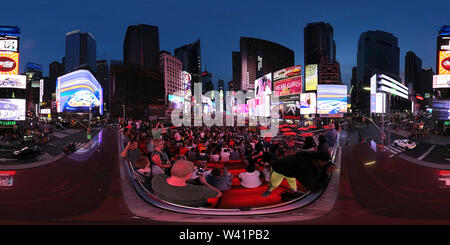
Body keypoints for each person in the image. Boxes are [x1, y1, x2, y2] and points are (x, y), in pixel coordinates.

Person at [262, 151, 336, 197]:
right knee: (275, 183)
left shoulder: (312, 155)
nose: (325, 164)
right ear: (319, 161)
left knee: (291, 181)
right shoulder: (303, 168)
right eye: (324, 163)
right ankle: (269, 190)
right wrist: (326, 174)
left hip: (289, 168)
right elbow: (315, 188)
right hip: (279, 170)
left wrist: (328, 165)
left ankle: (294, 191)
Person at [151, 160, 221, 207]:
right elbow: (218, 194)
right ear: (188, 175)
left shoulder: (157, 178)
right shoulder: (199, 190)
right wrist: (204, 182)